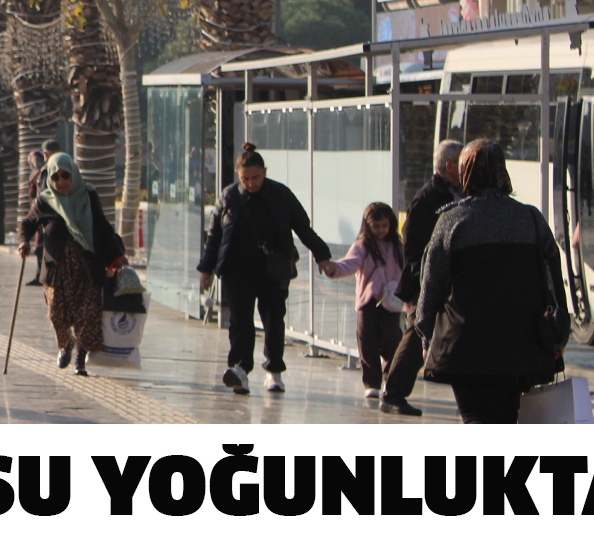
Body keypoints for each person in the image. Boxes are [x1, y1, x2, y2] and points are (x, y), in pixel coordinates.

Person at [417, 139, 570, 423]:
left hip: (465, 348)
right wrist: (558, 332)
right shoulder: (530, 219)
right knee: (507, 416)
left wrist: (425, 334)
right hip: (520, 346)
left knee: (475, 418)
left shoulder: (452, 222)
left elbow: (431, 285)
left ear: (465, 173)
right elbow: (552, 279)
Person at [198, 142, 333, 395]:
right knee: (240, 322)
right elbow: (214, 236)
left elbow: (304, 229)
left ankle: (274, 371)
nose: (251, 183)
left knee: (273, 321)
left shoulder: (281, 195)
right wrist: (206, 269)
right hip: (237, 271)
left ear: (265, 172)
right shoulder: (228, 197)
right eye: (245, 178)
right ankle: (240, 370)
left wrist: (322, 256)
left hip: (274, 270)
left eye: (256, 177)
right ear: (238, 175)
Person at [19, 151, 127, 376]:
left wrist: (116, 256)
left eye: (65, 175)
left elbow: (102, 228)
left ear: (74, 174)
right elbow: (28, 223)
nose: (61, 182)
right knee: (57, 315)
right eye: (55, 177)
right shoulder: (45, 201)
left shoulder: (87, 196)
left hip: (87, 268)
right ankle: (66, 344)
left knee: (87, 314)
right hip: (56, 272)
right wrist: (24, 242)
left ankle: (80, 358)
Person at [378, 139, 463, 417]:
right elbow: (413, 244)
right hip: (427, 278)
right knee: (418, 332)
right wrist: (427, 274)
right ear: (449, 165)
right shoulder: (428, 199)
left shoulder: (455, 192)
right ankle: (393, 393)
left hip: (445, 277)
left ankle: (392, 384)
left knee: (419, 332)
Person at [322, 202, 405, 402]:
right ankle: (372, 383)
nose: (381, 230)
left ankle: (389, 378)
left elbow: (406, 271)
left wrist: (409, 299)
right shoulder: (362, 246)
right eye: (376, 226)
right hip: (368, 302)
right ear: (368, 226)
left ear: (390, 224)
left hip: (392, 302)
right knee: (367, 341)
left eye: (384, 226)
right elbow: (350, 263)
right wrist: (333, 268)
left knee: (391, 340)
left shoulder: (397, 246)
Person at [22, 141, 63, 286]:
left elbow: (44, 194)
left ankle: (44, 276)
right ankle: (42, 275)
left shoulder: (47, 170)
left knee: (42, 247)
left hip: (47, 217)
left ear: (45, 154)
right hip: (48, 216)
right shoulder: (63, 167)